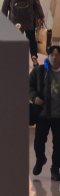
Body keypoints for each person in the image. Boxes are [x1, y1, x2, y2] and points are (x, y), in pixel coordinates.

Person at [1, 0, 46, 67]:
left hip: (15, 21)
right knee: (31, 38)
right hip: (29, 20)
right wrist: (42, 16)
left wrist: (2, 19)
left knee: (17, 40)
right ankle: (34, 57)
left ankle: (17, 59)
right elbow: (37, 3)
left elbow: (5, 6)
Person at [30, 45, 60, 181]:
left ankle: (55, 170)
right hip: (42, 115)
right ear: (48, 56)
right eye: (52, 54)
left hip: (58, 116)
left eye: (57, 54)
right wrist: (34, 97)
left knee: (58, 144)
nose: (54, 57)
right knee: (38, 142)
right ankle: (40, 159)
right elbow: (29, 86)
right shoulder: (39, 71)